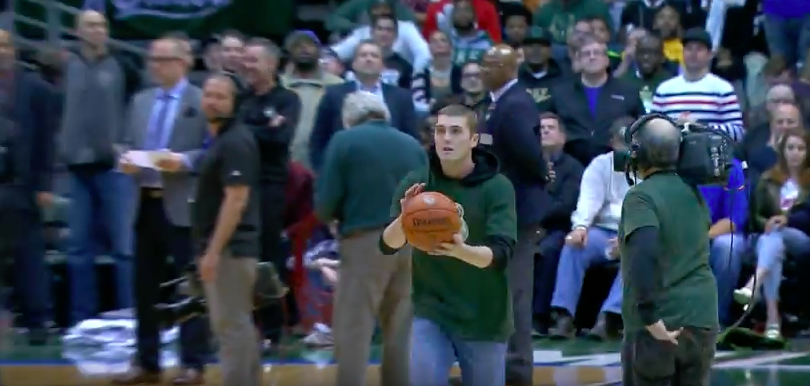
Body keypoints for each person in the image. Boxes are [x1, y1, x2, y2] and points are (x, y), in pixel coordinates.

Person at [381, 104, 517, 386]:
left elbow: (500, 255)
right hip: (432, 309)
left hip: (485, 314)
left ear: (473, 140)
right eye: (440, 131)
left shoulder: (497, 186)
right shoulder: (418, 181)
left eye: (456, 131)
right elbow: (387, 244)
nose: (446, 138)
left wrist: (460, 251)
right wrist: (405, 218)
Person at [111, 36, 210, 385]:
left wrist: (181, 160)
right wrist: (123, 157)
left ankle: (193, 363)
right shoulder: (139, 101)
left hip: (182, 205)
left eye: (162, 59)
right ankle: (146, 359)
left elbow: (210, 152)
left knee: (188, 288)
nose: (154, 65)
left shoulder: (201, 101)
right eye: (152, 59)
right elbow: (124, 142)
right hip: (144, 202)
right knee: (144, 287)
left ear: (184, 62)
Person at [315, 91, 426, 386]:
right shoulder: (412, 144)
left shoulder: (344, 140)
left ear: (349, 118)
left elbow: (325, 201)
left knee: (354, 326)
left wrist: (332, 218)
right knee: (401, 329)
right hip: (411, 242)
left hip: (366, 241)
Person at [619, 116, 717, 386]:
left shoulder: (640, 196)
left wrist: (650, 317)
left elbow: (644, 253)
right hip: (702, 318)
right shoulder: (694, 192)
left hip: (660, 324)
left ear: (638, 153)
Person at [61, 10, 138, 326]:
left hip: (113, 169)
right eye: (90, 25)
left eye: (102, 25)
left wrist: (127, 146)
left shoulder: (123, 66)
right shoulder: (65, 67)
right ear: (77, 31)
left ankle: (131, 318)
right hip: (76, 168)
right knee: (78, 250)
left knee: (124, 249)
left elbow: (139, 106)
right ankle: (83, 320)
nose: (98, 30)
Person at [478, 44, 546, 386]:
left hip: (517, 213)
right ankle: (501, 369)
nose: (484, 69)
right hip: (504, 213)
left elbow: (530, 156)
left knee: (516, 294)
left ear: (510, 68)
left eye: (493, 64)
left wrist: (543, 175)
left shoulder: (514, 104)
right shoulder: (499, 103)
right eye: (483, 63)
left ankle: (517, 373)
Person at [193, 73, 262, 386]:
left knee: (232, 330)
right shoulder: (221, 139)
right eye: (208, 93)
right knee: (239, 327)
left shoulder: (236, 141)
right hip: (230, 250)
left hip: (231, 250)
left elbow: (236, 200)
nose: (212, 100)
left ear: (234, 103)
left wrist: (213, 251)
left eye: (221, 96)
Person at [238, 37, 302, 345]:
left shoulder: (287, 99)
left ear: (272, 64)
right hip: (237, 185)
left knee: (267, 259)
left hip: (269, 188)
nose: (246, 65)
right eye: (244, 60)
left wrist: (246, 130)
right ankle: (242, 326)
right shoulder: (240, 98)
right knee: (239, 257)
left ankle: (274, 330)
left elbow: (280, 139)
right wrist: (263, 128)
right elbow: (229, 136)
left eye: (253, 60)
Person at [0, 28, 55, 345]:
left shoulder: (35, 88)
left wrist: (45, 184)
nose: (1, 50)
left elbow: (47, 141)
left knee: (29, 256)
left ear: (15, 49)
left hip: (24, 185)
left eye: (5, 44)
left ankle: (38, 320)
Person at [737, 129, 810, 340]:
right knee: (773, 243)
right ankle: (772, 319)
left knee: (775, 235)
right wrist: (766, 223)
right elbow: (756, 215)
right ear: (782, 151)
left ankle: (754, 284)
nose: (795, 153)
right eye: (791, 148)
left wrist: (788, 220)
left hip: (802, 239)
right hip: (772, 237)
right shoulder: (769, 179)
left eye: (800, 148)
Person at [309, 40, 418, 172]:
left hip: (390, 172)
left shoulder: (401, 97)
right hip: (344, 169)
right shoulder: (334, 94)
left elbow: (411, 138)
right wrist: (323, 172)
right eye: (363, 55)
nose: (369, 59)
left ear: (382, 65)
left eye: (374, 55)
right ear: (353, 64)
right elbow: (318, 138)